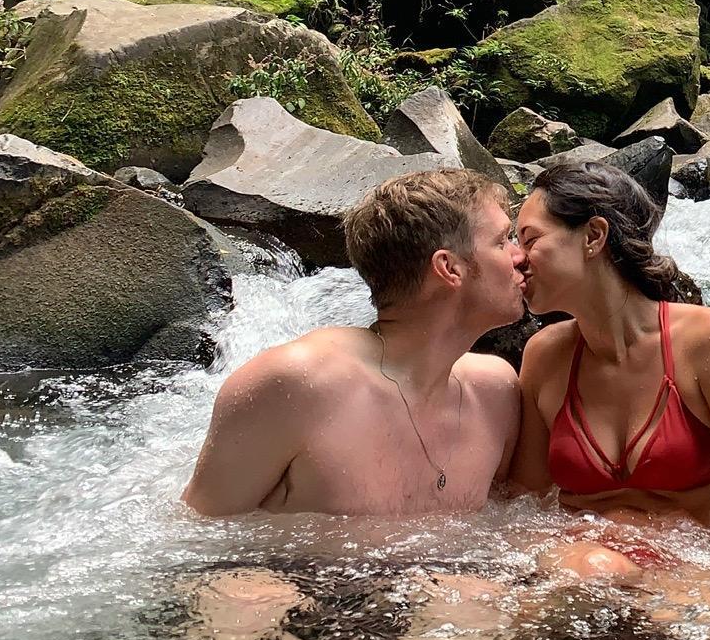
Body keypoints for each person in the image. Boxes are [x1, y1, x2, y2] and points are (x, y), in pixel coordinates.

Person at [182, 168, 527, 517]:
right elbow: (194, 544)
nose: (521, 257)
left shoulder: (496, 393)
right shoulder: (296, 384)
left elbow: (515, 523)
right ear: (449, 268)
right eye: (502, 241)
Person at [509, 164, 710, 567]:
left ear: (593, 236)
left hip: (682, 578)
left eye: (529, 239)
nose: (516, 258)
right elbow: (521, 510)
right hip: (576, 572)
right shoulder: (544, 356)